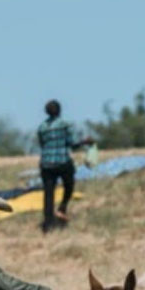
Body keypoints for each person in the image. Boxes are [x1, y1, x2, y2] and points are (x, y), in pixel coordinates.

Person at [37, 100, 90, 233]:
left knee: (48, 194)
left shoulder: (41, 127)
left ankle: (48, 224)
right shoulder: (65, 125)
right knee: (69, 184)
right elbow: (71, 143)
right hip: (62, 161)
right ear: (59, 111)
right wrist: (85, 142)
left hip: (46, 164)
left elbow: (42, 145)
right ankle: (63, 206)